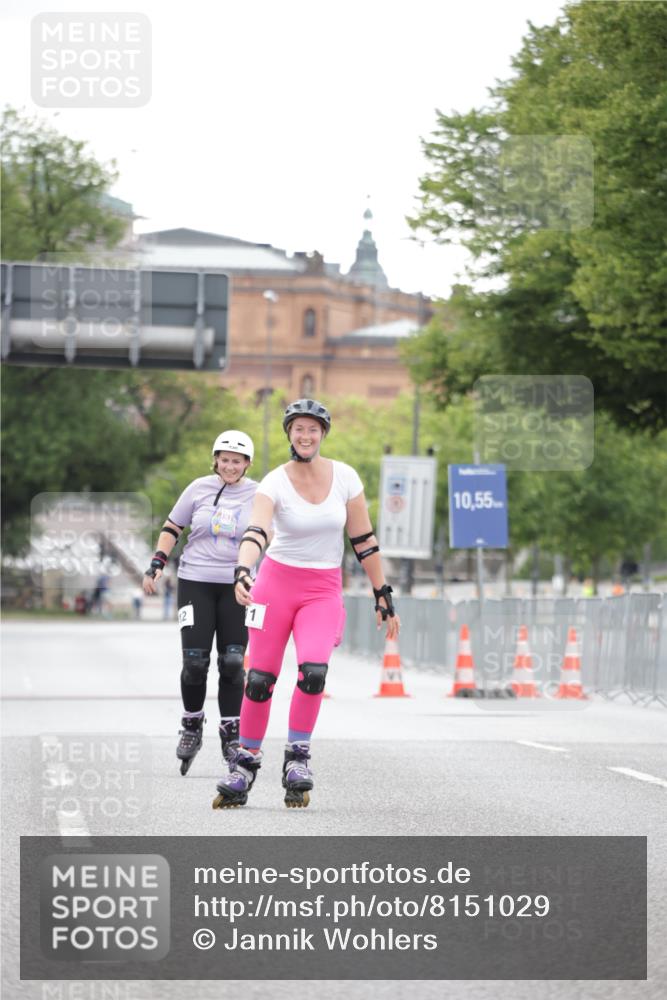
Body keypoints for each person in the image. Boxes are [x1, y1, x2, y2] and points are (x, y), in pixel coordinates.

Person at [212, 398, 400, 810]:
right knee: (259, 680)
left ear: (323, 434)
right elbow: (257, 531)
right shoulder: (274, 482)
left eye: (313, 429)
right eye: (298, 428)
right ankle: (244, 763)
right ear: (289, 434)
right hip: (275, 586)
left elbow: (364, 541)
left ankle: (297, 758)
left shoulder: (346, 478)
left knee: (313, 672)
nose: (306, 435)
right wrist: (243, 570)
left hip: (322, 588)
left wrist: (382, 593)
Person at [143, 430, 257, 775]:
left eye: (237, 461)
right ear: (216, 460)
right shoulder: (198, 488)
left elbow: (272, 536)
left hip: (239, 586)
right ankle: (192, 725)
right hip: (195, 581)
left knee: (234, 661)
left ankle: (231, 733)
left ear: (247, 464)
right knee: (195, 662)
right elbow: (172, 525)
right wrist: (157, 563)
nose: (230, 466)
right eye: (224, 460)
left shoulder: (259, 494)